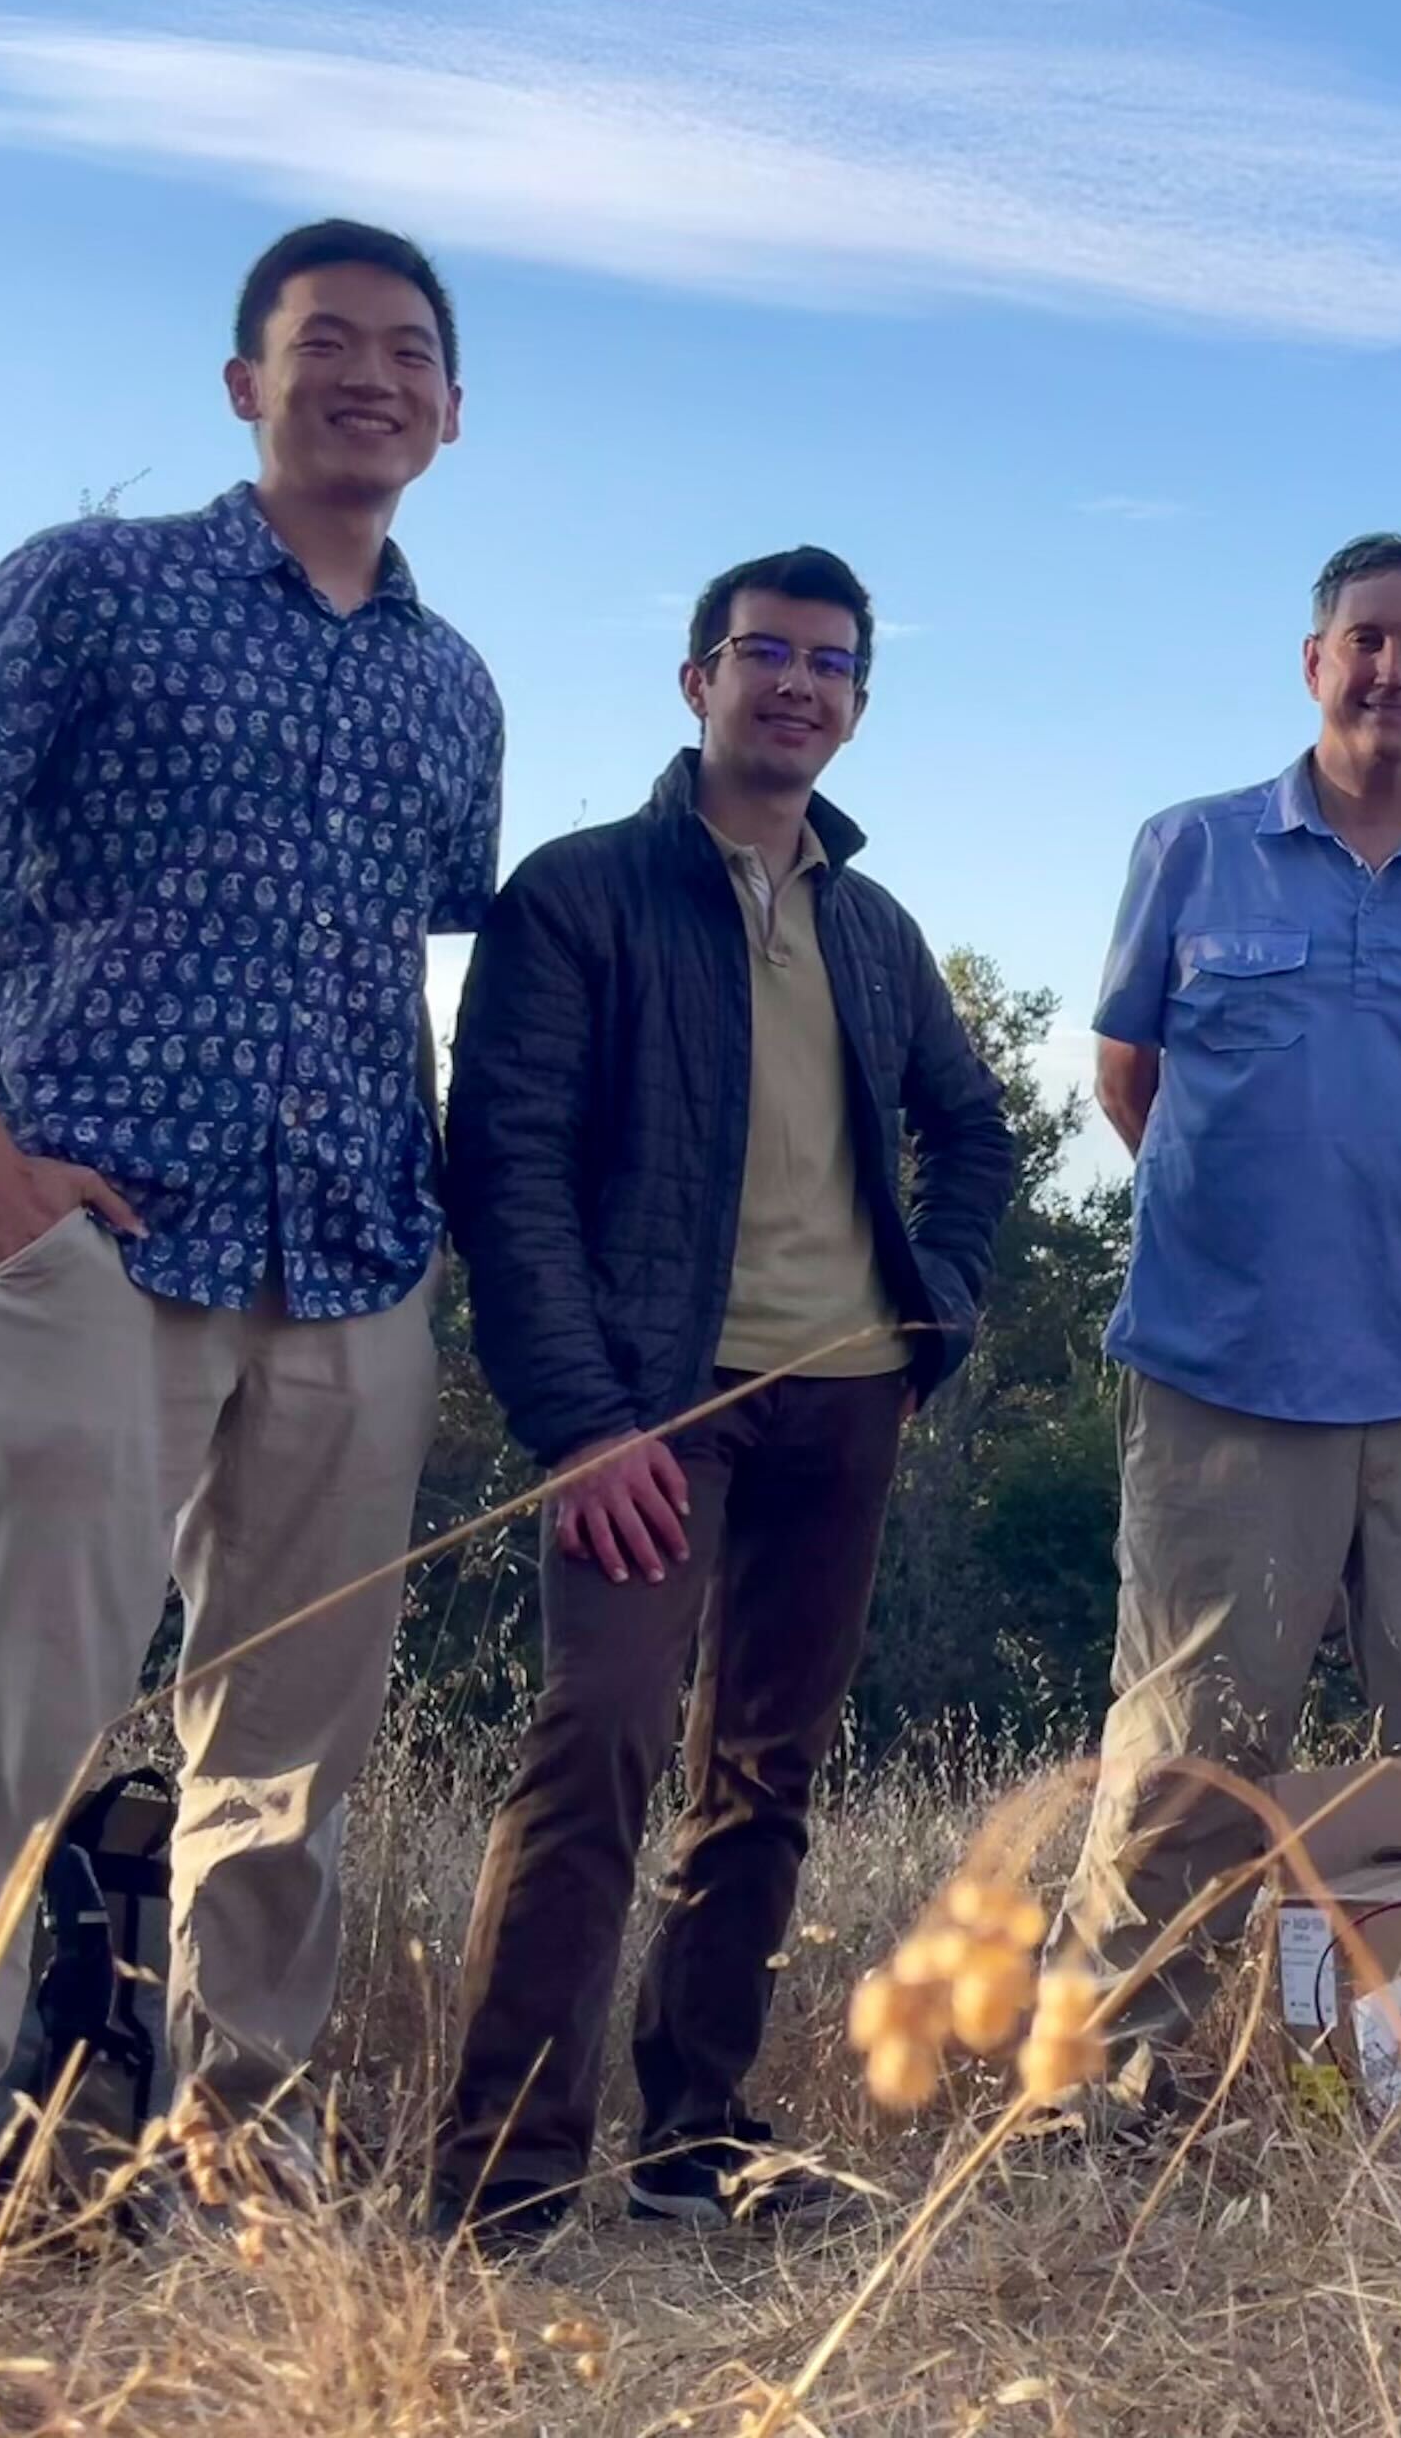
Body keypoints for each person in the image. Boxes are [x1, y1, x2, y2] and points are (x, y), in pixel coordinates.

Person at [0, 220, 502, 2208]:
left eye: (407, 352)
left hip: (351, 1271)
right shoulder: (88, 587)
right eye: (325, 343)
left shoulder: (452, 687)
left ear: (453, 414)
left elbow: (396, 965)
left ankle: (236, 2154)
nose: (368, 376)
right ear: (245, 382)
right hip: (95, 1247)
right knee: (7, 1715)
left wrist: (429, 1228)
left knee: (287, 1760)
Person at [427, 549, 1013, 2245]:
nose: (798, 686)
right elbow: (507, 1168)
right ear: (697, 682)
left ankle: (696, 2142)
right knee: (596, 1748)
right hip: (650, 1415)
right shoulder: (583, 893)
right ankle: (505, 2180)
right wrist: (581, 1424)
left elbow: (971, 1129)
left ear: (857, 705)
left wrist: (933, 1319)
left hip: (844, 1404)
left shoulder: (873, 924)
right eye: (766, 653)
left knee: (765, 1772)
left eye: (833, 666)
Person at [1058, 533, 1401, 2080]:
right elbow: (1130, 1084)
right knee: (1184, 1770)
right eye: (1366, 640)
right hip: (1225, 1390)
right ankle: (1105, 2098)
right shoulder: (1192, 848)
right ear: (1314, 663)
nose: (1393, 671)